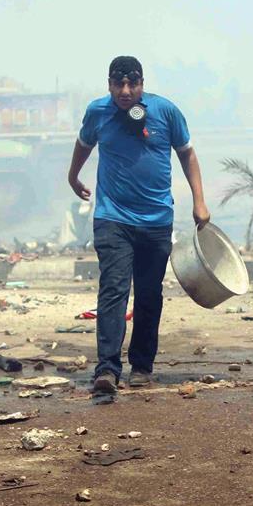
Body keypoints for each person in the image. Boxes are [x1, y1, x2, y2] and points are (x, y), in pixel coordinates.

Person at [67, 55, 210, 395]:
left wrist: (199, 201)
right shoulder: (98, 112)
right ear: (109, 84)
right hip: (112, 218)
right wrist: (73, 177)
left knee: (148, 294)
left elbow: (187, 154)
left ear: (142, 84)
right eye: (119, 84)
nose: (125, 91)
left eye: (132, 84)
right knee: (114, 289)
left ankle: (142, 366)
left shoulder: (166, 112)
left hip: (156, 220)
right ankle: (107, 369)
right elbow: (83, 143)